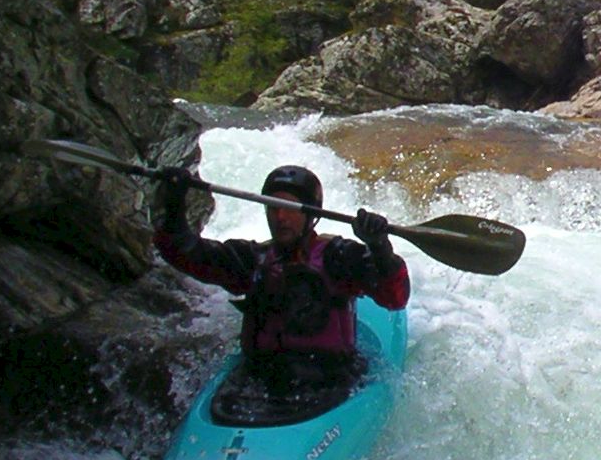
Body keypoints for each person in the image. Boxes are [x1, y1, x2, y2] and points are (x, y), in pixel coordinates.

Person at [152, 164, 409, 388]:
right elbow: (183, 253)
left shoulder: (339, 259)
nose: (280, 217)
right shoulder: (252, 260)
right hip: (260, 382)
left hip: (329, 381)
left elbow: (395, 298)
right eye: (272, 207)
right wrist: (175, 204)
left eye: (289, 208)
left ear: (311, 215)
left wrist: (379, 247)